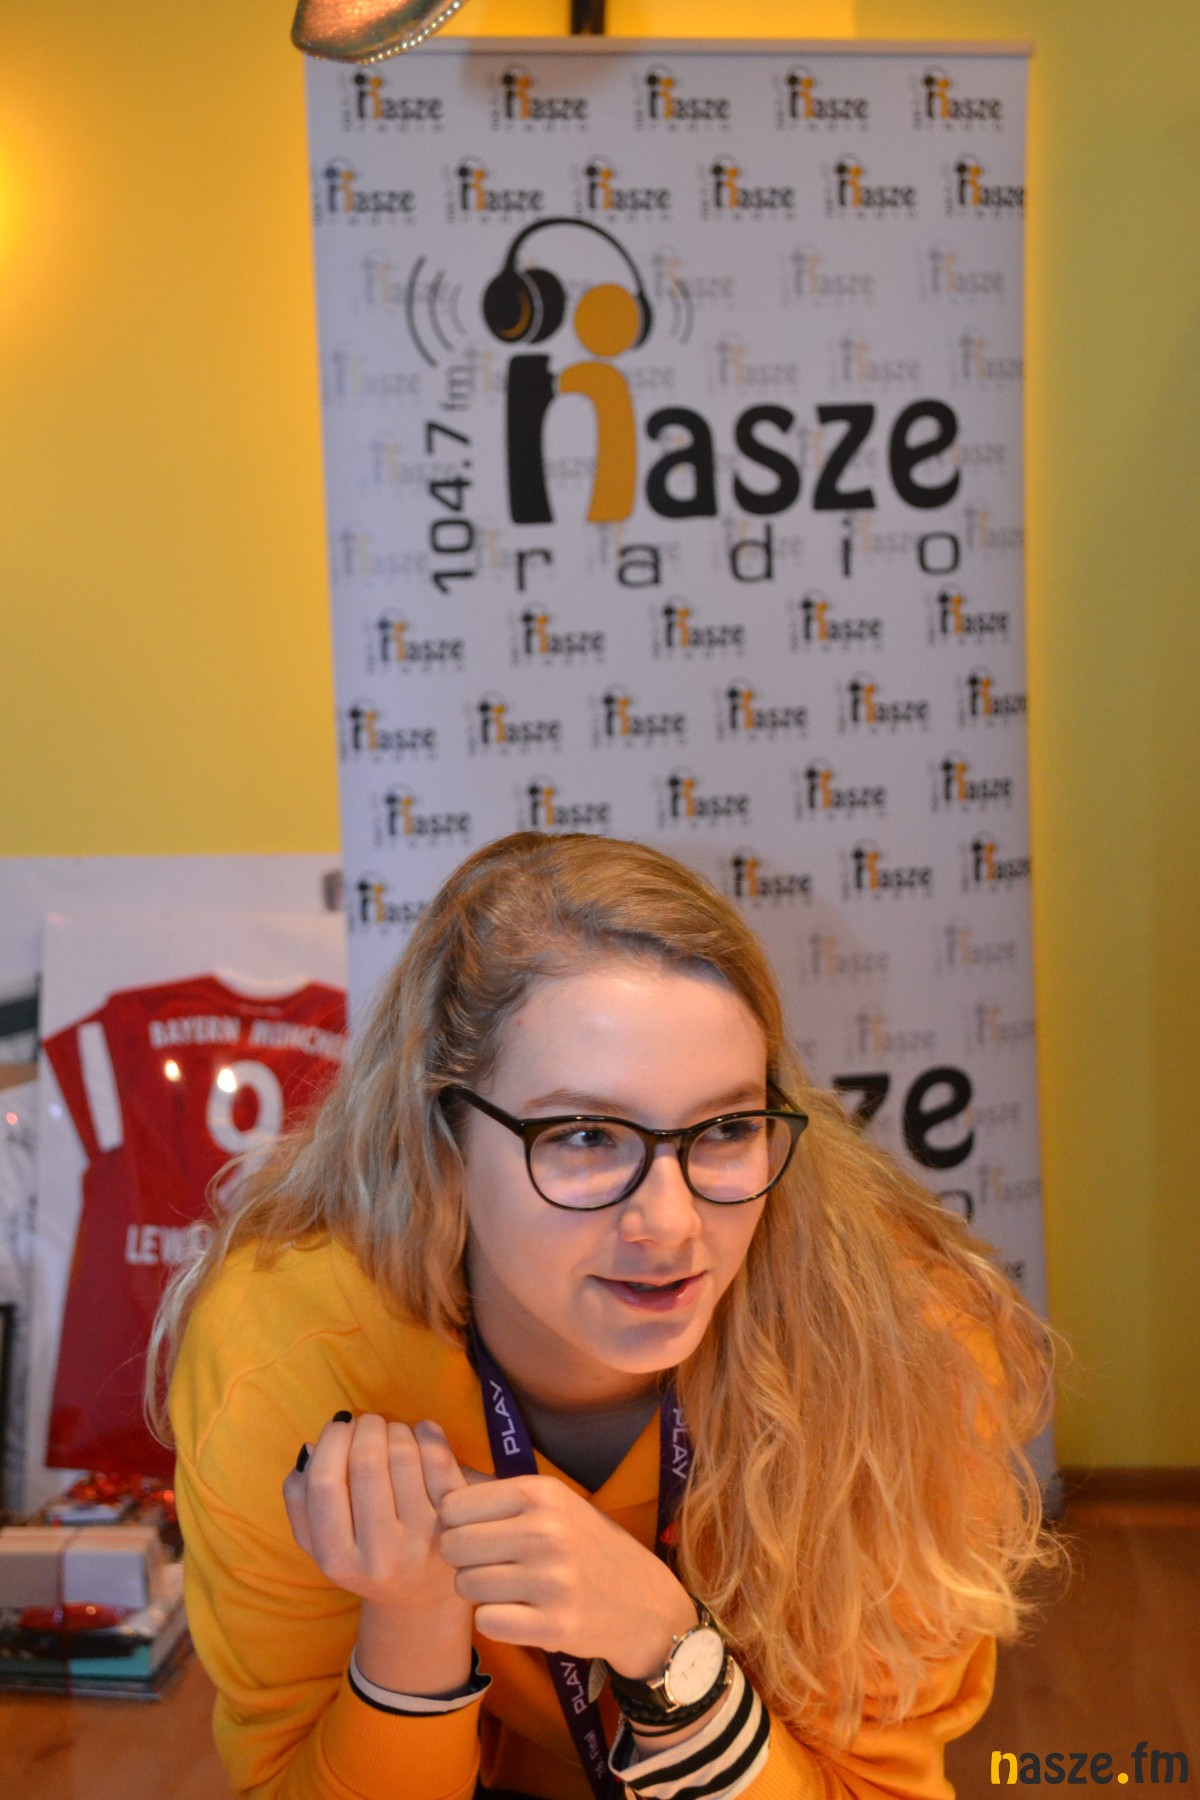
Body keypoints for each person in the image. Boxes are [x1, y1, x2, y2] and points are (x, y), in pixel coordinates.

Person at [150, 831, 1066, 1800]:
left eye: (725, 1128)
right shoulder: (286, 1354)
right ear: (440, 1141)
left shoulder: (907, 1344)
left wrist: (668, 1651)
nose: (670, 1224)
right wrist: (412, 1623)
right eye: (585, 1135)